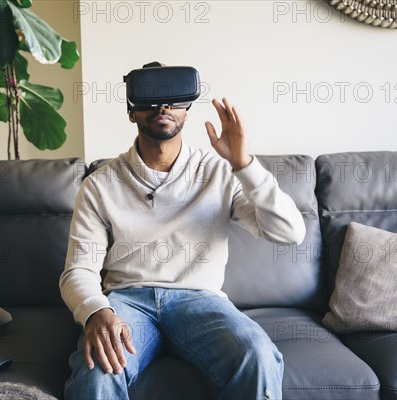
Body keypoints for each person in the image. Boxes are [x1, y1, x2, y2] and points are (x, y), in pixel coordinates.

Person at [59, 63, 306, 400]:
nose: (163, 108)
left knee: (259, 356)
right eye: (150, 98)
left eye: (174, 99)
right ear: (132, 112)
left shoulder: (219, 172)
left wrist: (244, 164)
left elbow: (290, 232)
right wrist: (96, 312)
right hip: (129, 302)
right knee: (97, 370)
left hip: (200, 301)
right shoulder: (101, 184)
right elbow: (79, 270)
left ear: (187, 110)